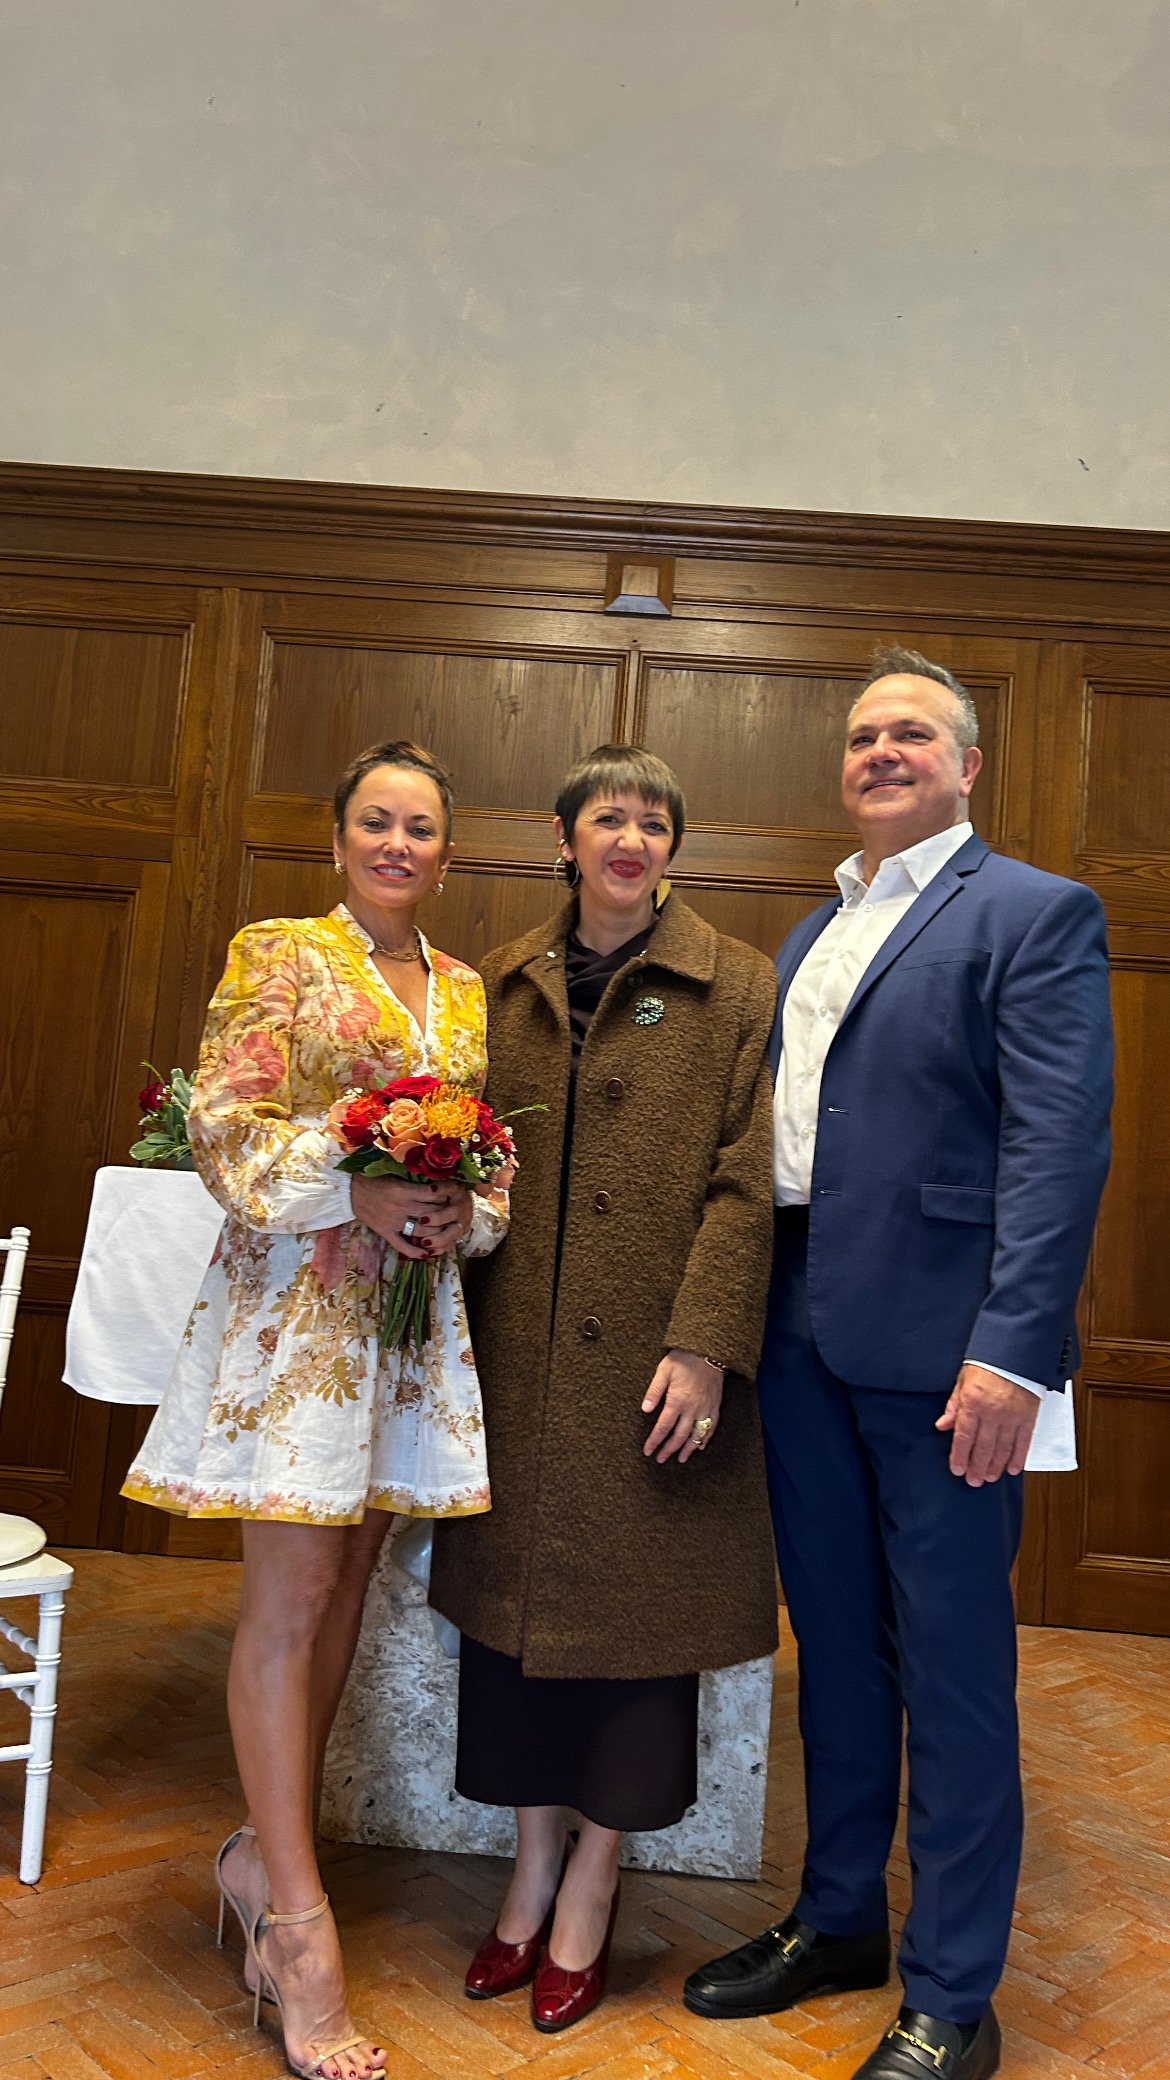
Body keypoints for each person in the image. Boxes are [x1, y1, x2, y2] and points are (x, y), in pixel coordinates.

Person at [684, 650, 1113, 2080]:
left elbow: (1057, 1153)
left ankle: (951, 1992)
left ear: (966, 764)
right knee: (839, 1655)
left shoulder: (1033, 913)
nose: (881, 752)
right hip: (797, 1329)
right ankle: (837, 1919)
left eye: (910, 734)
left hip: (946, 1356)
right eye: (863, 735)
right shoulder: (815, 931)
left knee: (953, 1668)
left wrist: (1013, 1356)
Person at [124, 741, 508, 2080]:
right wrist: (353, 1185)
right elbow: (229, 1136)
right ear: (338, 836)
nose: (398, 843)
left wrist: (464, 1207)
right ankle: (298, 1930)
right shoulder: (277, 950)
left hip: (405, 1332)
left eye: (421, 827)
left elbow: (488, 1150)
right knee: (287, 1605)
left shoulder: (462, 991)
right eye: (376, 821)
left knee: (345, 1589)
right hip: (298, 1329)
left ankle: (251, 1855)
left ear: (447, 852)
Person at [429, 743, 780, 2033]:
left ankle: (593, 1880)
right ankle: (526, 1868)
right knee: (513, 1636)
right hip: (518, 1363)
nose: (629, 837)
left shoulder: (737, 985)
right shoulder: (502, 985)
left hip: (654, 1370)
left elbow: (751, 1181)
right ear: (565, 840)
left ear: (673, 848)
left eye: (652, 821)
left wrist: (703, 1340)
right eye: (606, 818)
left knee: (638, 1642)